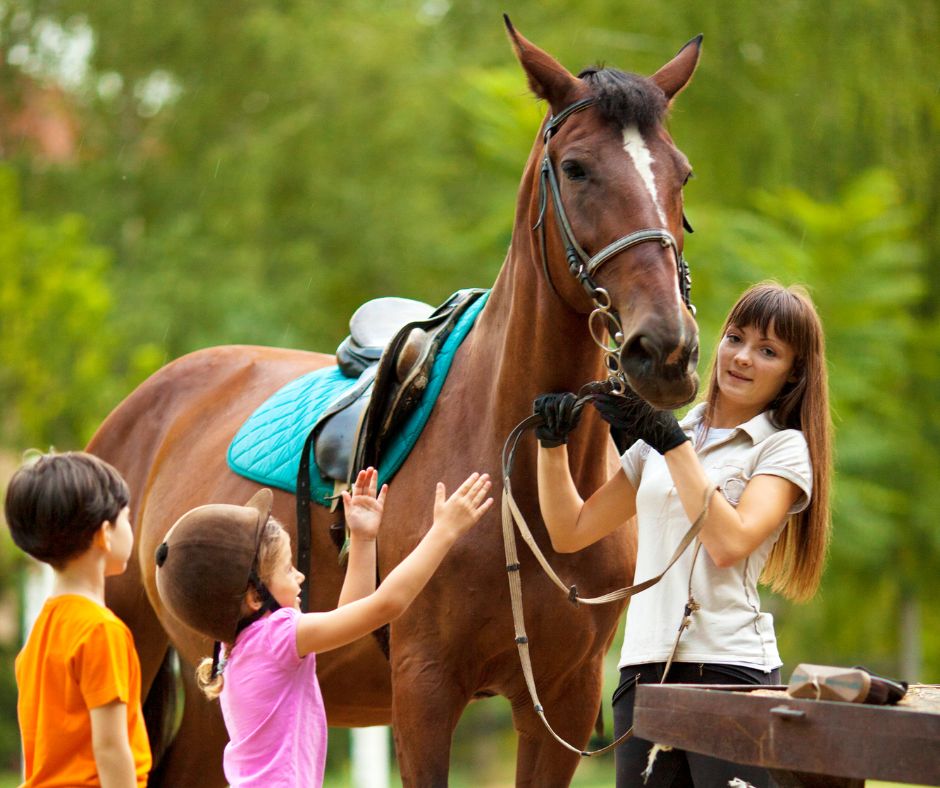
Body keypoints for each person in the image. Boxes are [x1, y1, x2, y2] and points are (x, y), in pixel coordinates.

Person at [534, 281, 831, 787]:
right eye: (736, 338)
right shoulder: (664, 437)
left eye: (768, 351)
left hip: (730, 674)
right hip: (641, 673)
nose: (742, 358)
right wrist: (552, 445)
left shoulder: (781, 449)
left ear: (792, 373)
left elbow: (729, 543)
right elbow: (570, 530)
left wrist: (671, 442)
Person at [153, 467, 492, 788]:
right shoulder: (276, 636)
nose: (298, 576)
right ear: (256, 596)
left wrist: (361, 538)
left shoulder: (237, 648)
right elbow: (387, 605)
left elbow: (349, 616)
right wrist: (444, 532)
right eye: (288, 570)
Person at [5, 451, 151, 787]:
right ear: (104, 534)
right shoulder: (100, 630)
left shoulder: (44, 627)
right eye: (126, 518)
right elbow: (111, 747)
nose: (131, 527)